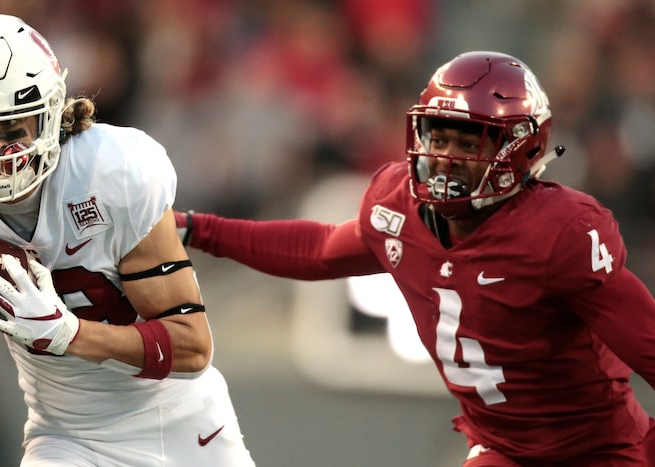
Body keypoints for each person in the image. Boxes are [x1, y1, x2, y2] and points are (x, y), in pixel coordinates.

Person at [175, 51, 655, 466]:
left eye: (469, 142)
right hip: (503, 447)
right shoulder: (397, 206)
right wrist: (199, 229)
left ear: (521, 148)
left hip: (600, 448)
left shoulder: (561, 232)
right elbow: (318, 250)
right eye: (439, 137)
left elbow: (646, 342)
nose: (446, 156)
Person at [0, 14, 254, 466]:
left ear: (51, 115)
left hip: (178, 426)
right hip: (67, 437)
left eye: (11, 128)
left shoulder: (112, 171)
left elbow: (192, 345)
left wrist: (68, 333)